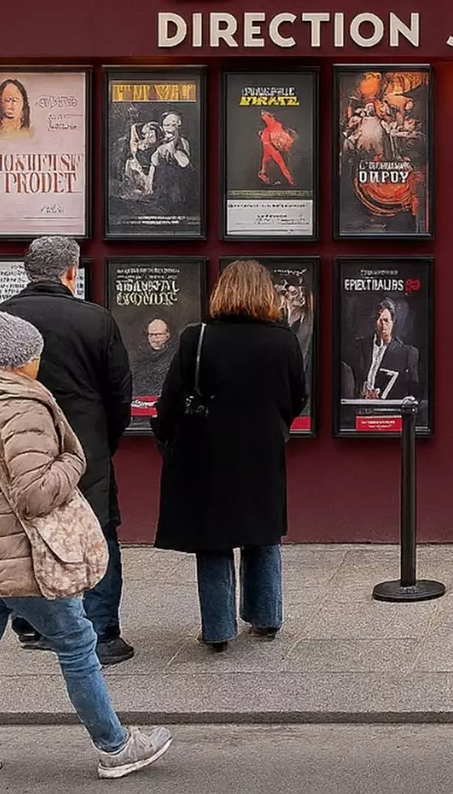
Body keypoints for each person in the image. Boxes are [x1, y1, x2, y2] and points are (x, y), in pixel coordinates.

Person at [0, 311, 170, 788]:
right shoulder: (22, 408)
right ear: (25, 361)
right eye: (37, 356)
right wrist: (73, 461)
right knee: (79, 644)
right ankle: (116, 747)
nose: (41, 363)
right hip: (23, 555)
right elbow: (34, 492)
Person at [0, 237, 136, 666]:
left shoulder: (2, 318)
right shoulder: (95, 320)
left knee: (26, 527)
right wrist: (103, 439)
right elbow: (120, 394)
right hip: (86, 443)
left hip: (20, 443)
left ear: (27, 272)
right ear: (71, 272)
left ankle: (33, 624)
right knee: (97, 532)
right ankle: (101, 632)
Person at [152, 261, 302, 650]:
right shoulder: (283, 340)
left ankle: (218, 630)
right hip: (263, 451)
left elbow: (170, 400)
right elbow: (297, 397)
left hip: (208, 451)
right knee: (263, 532)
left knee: (214, 538)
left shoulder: (196, 337)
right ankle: (266, 617)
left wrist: (166, 437)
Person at [344, 300, 423, 405]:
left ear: (392, 322)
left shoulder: (407, 353)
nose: (383, 325)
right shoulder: (359, 347)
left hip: (390, 412)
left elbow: (414, 391)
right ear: (374, 322)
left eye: (386, 320)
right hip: (359, 408)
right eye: (379, 320)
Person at [129, 318, 176, 409]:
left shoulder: (174, 356)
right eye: (151, 335)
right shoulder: (139, 358)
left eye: (158, 335)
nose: (154, 338)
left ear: (167, 335)